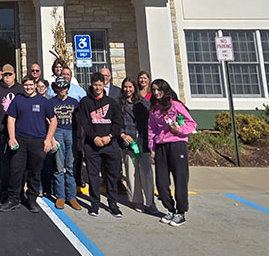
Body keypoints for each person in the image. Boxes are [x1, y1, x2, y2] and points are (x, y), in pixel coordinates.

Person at [0, 74, 57, 214]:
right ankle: (13, 199)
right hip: (20, 140)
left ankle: (32, 200)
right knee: (16, 170)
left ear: (35, 85)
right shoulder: (18, 100)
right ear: (23, 85)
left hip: (38, 141)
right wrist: (12, 138)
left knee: (35, 172)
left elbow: (53, 120)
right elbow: (11, 120)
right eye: (26, 85)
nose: (28, 87)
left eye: (31, 85)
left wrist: (48, 140)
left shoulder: (44, 101)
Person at [148, 78, 196, 227]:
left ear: (165, 90)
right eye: (154, 90)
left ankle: (181, 213)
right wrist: (152, 148)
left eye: (158, 90)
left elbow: (191, 123)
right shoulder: (154, 109)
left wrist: (179, 130)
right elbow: (152, 129)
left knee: (180, 179)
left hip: (177, 144)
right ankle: (170, 209)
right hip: (161, 146)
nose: (156, 93)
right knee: (161, 182)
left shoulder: (176, 106)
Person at [77, 72, 123, 217]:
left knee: (111, 175)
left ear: (104, 85)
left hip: (110, 144)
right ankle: (94, 204)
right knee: (93, 176)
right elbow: (84, 122)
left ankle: (113, 203)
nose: (97, 87)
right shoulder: (85, 102)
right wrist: (94, 137)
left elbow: (118, 122)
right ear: (91, 84)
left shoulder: (111, 102)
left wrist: (109, 137)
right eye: (95, 84)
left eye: (100, 85)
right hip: (92, 146)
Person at [0, 63, 24, 199]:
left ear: (14, 75)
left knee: (18, 165)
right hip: (1, 133)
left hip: (19, 133)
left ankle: (18, 191)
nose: (7, 77)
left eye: (10, 74)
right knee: (4, 164)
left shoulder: (21, 89)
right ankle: (4, 191)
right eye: (5, 75)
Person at [118, 77, 155, 214]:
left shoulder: (144, 103)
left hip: (142, 143)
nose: (127, 90)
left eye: (130, 87)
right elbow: (117, 123)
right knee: (131, 173)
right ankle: (137, 201)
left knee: (146, 173)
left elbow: (149, 124)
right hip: (128, 143)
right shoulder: (120, 104)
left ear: (134, 88)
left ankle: (150, 202)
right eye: (125, 87)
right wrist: (122, 135)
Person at [50, 76, 81, 210]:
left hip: (71, 133)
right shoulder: (51, 102)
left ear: (68, 88)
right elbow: (48, 119)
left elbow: (79, 120)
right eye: (59, 87)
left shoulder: (74, 102)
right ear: (56, 88)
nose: (62, 90)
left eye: (64, 87)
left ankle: (72, 197)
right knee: (58, 167)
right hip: (57, 132)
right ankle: (60, 196)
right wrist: (51, 137)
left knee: (70, 166)